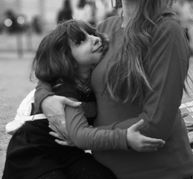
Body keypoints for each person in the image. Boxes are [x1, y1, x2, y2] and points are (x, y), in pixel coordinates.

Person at [34, 0, 193, 179]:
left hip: (161, 172)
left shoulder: (167, 31)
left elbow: (155, 126)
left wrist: (83, 135)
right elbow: (58, 68)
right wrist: (46, 98)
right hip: (108, 172)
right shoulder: (104, 30)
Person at [3, 19, 164, 179]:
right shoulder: (65, 90)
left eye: (93, 34)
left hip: (68, 152)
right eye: (81, 41)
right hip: (34, 152)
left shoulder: (94, 79)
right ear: (65, 58)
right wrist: (124, 138)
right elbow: (80, 135)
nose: (95, 39)